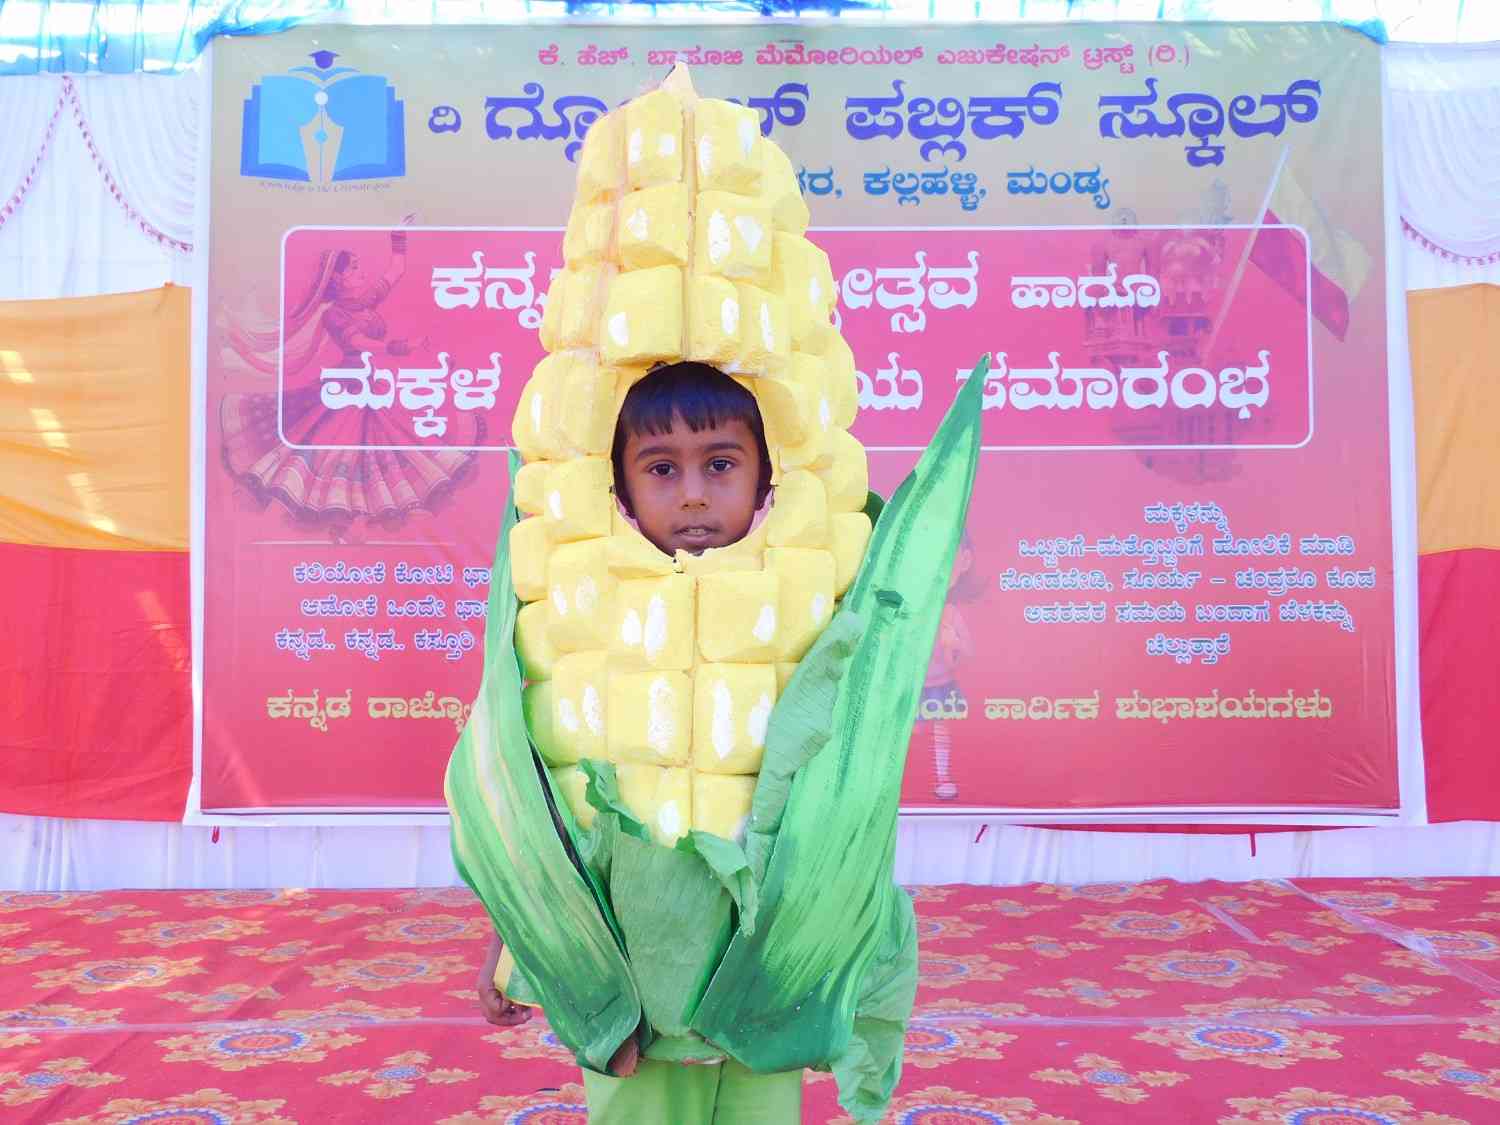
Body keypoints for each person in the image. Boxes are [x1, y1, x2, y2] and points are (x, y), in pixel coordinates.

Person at [477, 362, 802, 1123]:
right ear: (619, 486)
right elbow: (550, 800)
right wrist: (514, 937)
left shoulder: (799, 616)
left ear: (764, 476)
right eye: (661, 468)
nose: (692, 493)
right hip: (632, 975)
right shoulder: (590, 627)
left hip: (762, 965)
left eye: (720, 464)